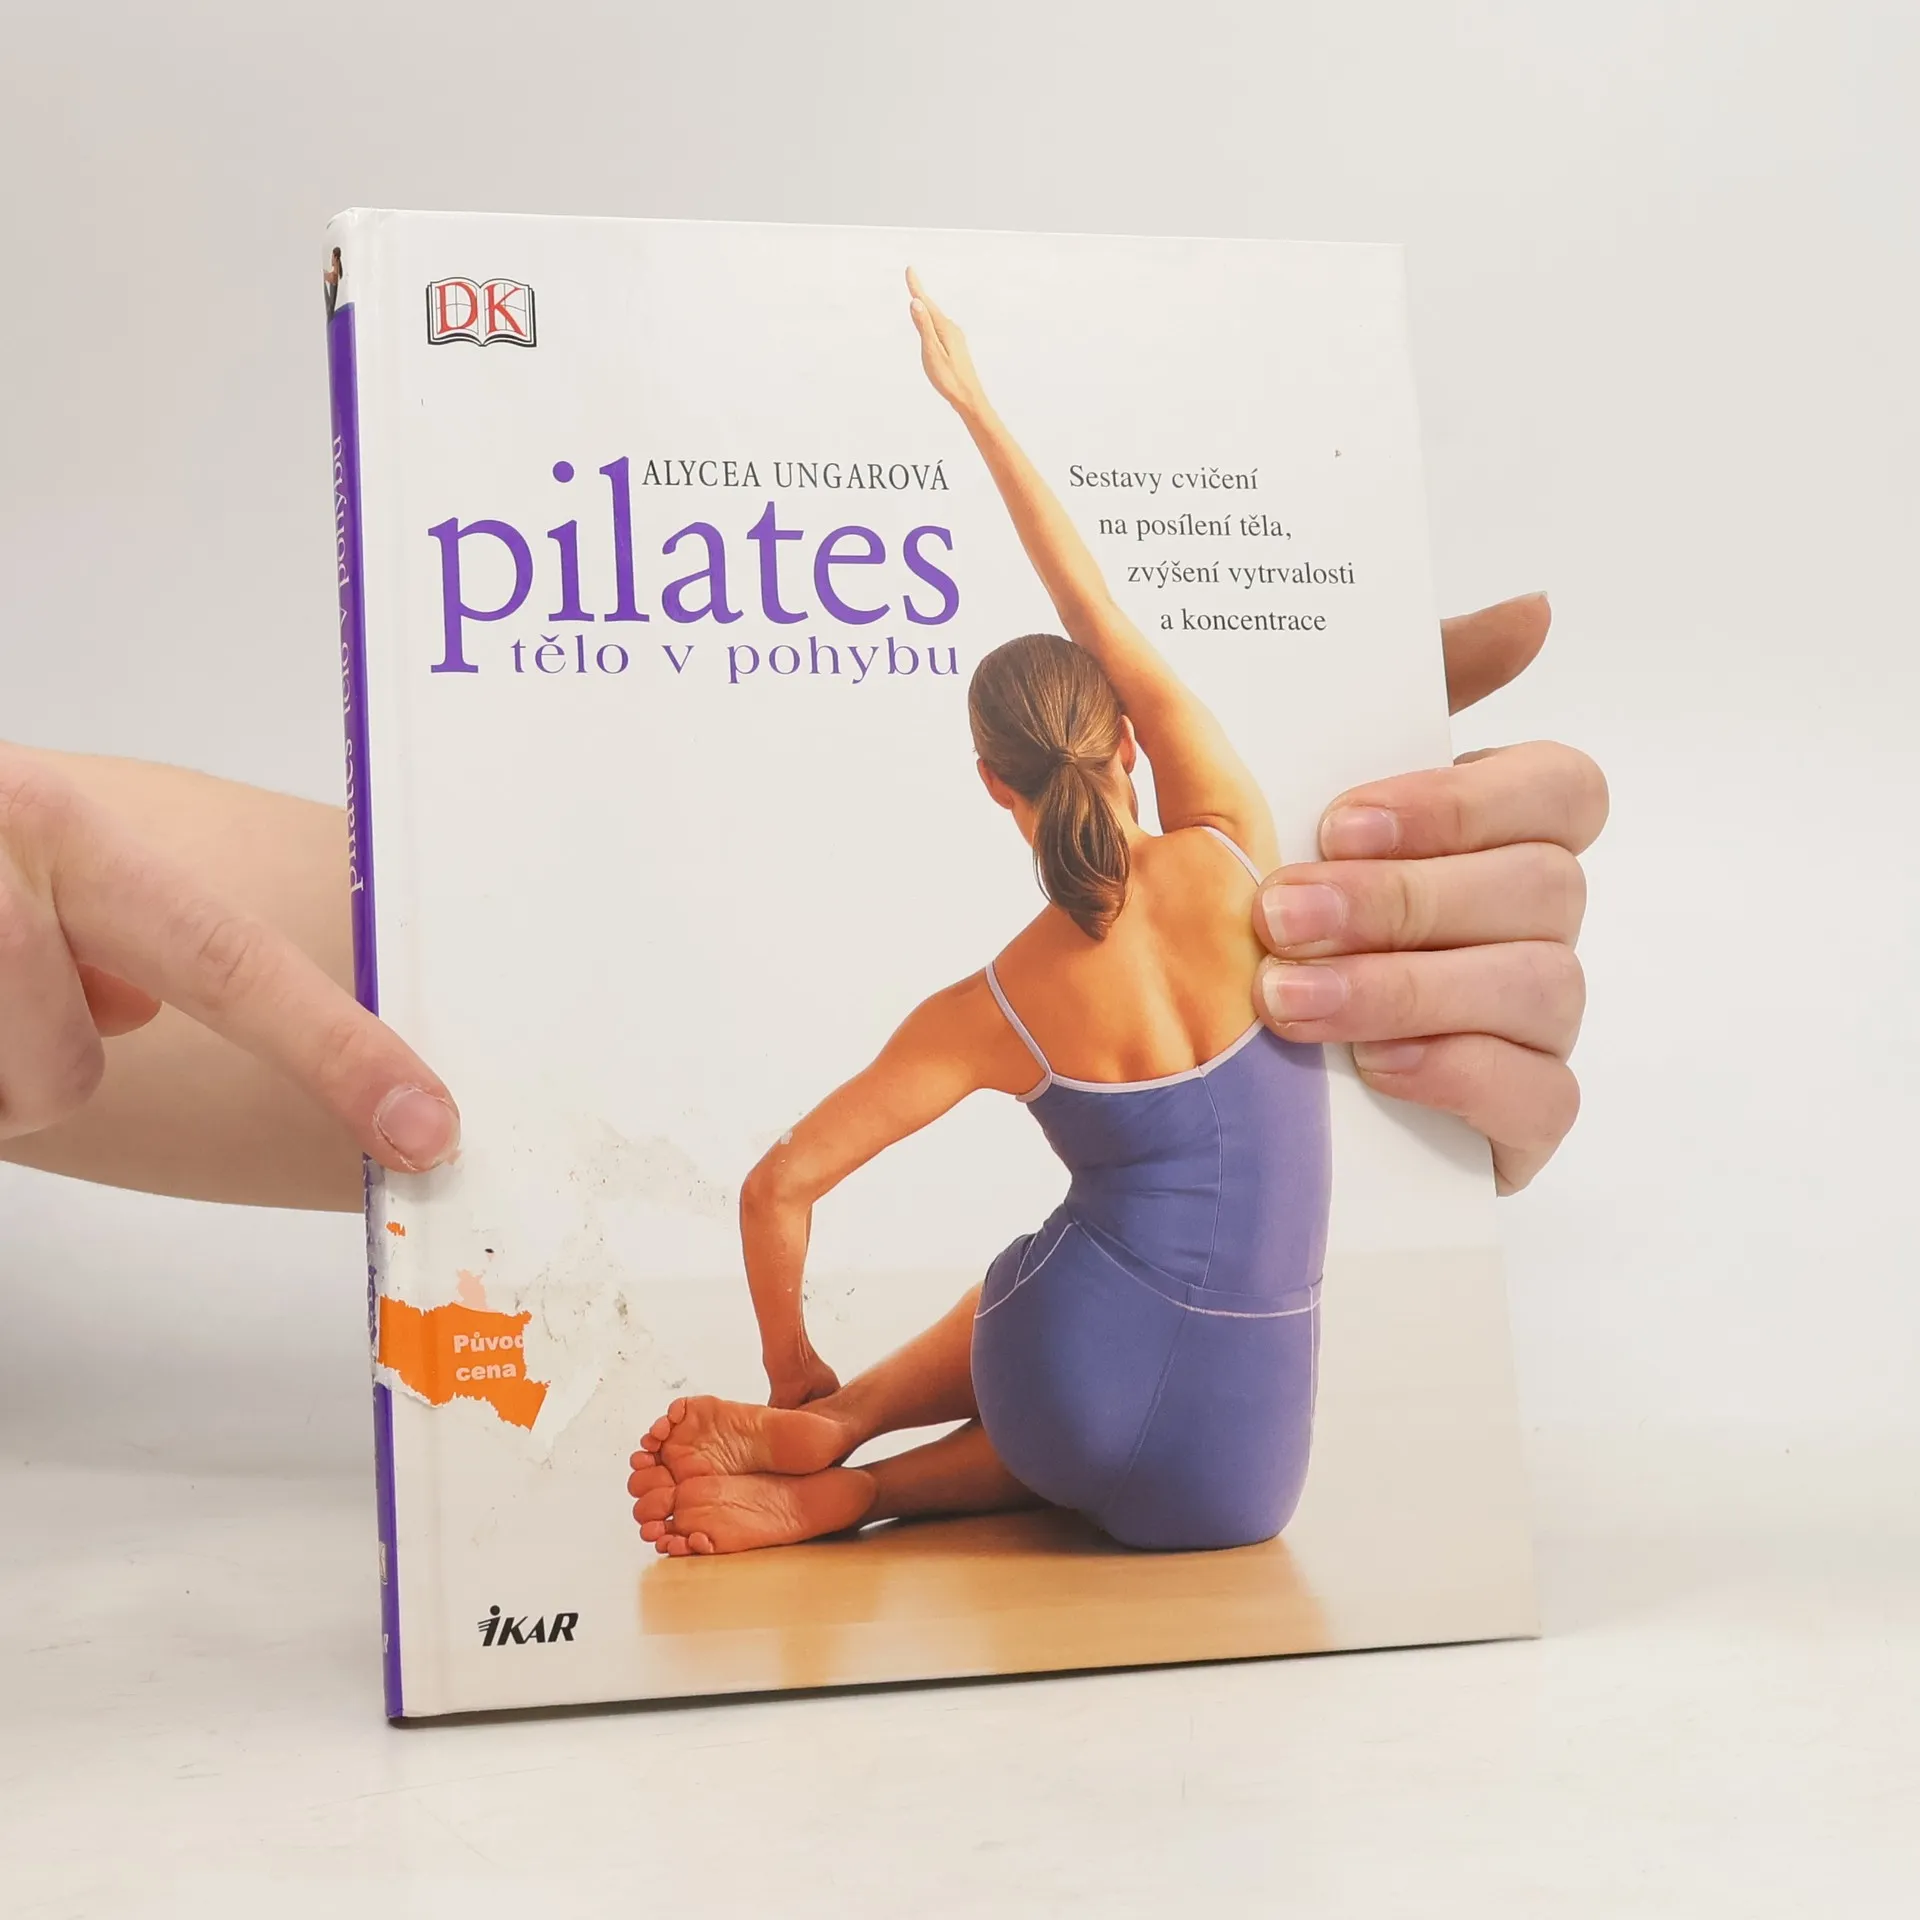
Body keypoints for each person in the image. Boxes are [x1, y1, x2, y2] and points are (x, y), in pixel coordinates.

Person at [621, 274, 1601, 1559]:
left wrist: (790, 1363)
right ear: (1128, 742)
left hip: (1057, 1387)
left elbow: (776, 1188)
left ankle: (841, 1428)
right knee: (1149, 1321)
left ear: (993, 784)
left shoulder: (993, 1006)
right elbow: (1093, 605)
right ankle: (861, 1484)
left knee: (1067, 1266)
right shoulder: (1234, 853)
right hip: (1245, 1471)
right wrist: (978, 405)